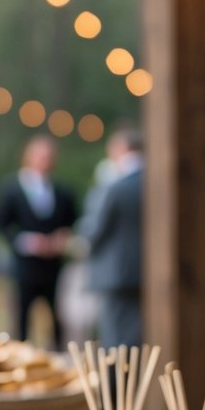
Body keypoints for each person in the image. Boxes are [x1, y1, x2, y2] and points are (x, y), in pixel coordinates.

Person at [0, 136, 77, 347]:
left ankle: (58, 357)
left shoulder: (62, 191)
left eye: (50, 157)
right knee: (22, 317)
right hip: (25, 266)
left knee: (56, 315)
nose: (46, 161)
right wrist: (28, 242)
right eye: (42, 156)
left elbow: (71, 222)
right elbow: (3, 224)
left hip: (53, 265)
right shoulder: (13, 189)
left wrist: (61, 238)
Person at [82, 127, 144, 348]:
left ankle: (116, 382)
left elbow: (97, 229)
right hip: (146, 271)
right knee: (137, 334)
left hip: (115, 272)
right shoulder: (155, 183)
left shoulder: (115, 186)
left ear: (120, 149)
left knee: (114, 338)